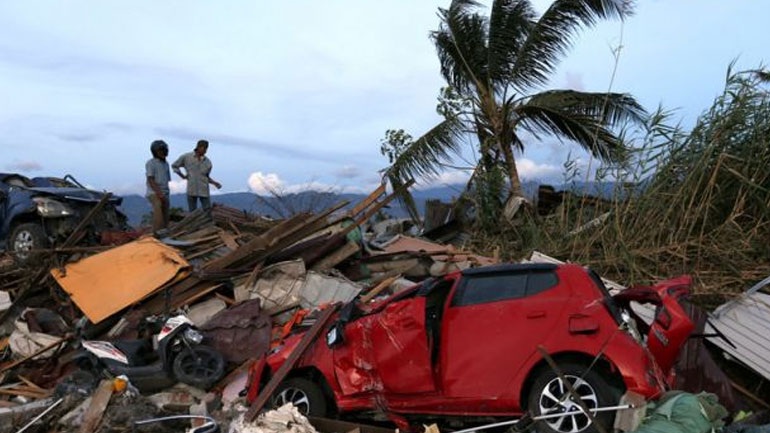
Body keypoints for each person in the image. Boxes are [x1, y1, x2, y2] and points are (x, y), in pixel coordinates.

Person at [172, 139, 222, 211]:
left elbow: (206, 176)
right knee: (192, 211)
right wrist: (182, 176)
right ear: (198, 147)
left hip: (203, 189)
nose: (205, 151)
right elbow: (175, 165)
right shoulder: (187, 157)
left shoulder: (207, 162)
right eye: (204, 148)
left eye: (206, 148)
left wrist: (214, 183)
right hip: (192, 189)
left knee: (207, 210)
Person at [146, 140, 171, 231]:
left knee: (166, 213)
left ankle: (165, 231)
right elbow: (151, 179)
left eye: (164, 149)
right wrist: (159, 193)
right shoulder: (151, 163)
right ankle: (156, 232)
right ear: (155, 152)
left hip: (165, 192)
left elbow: (167, 180)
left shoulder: (166, 164)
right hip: (154, 192)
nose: (163, 152)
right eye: (161, 150)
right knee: (158, 206)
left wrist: (165, 194)